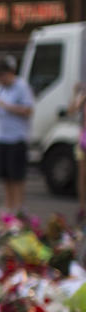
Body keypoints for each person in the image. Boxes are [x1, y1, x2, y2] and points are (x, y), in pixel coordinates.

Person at [0, 55, 34, 215]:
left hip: (17, 138)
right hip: (1, 136)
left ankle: (19, 207)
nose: (0, 79)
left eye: (2, 75)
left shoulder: (21, 86)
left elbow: (28, 110)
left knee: (17, 175)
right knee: (6, 175)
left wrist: (8, 107)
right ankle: (8, 206)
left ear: (10, 73)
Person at [69, 82, 86, 221]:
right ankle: (82, 208)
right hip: (84, 140)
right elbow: (72, 111)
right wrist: (76, 94)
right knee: (82, 176)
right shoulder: (83, 96)